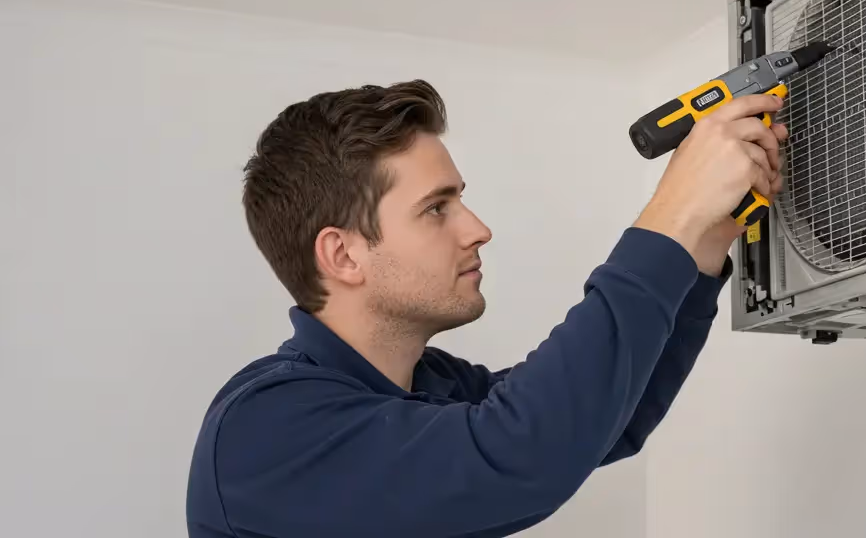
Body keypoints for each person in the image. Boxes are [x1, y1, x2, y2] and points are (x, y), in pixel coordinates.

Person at [185, 79, 787, 537]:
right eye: (436, 208)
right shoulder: (266, 428)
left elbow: (604, 423)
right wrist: (672, 217)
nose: (478, 229)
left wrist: (704, 244)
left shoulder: (431, 385)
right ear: (342, 255)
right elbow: (524, 451)